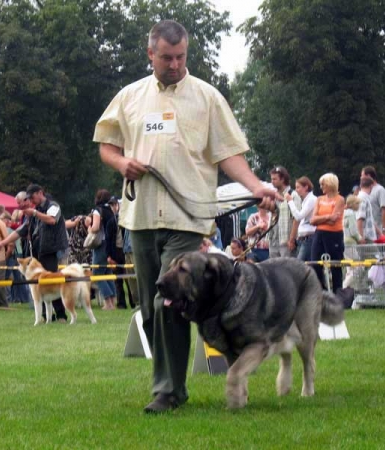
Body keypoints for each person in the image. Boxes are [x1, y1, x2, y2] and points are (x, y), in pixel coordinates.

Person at [94, 19, 276, 413]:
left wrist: (256, 185)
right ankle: (171, 383)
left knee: (168, 301)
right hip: (140, 216)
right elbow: (106, 145)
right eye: (166, 57)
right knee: (148, 308)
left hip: (188, 218)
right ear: (150, 54)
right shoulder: (129, 97)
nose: (174, 64)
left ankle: (167, 390)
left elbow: (229, 154)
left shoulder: (207, 98)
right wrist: (122, 162)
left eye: (180, 57)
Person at [0, 184, 69, 321]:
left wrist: (34, 213)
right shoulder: (35, 211)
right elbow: (20, 231)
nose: (31, 201)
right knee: (41, 285)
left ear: (40, 193)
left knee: (52, 282)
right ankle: (47, 315)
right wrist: (3, 243)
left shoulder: (53, 205)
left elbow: (52, 220)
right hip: (39, 253)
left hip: (52, 251)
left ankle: (61, 315)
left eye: (32, 197)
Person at [310, 173, 345, 291]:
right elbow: (312, 220)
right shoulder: (319, 199)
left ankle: (338, 291)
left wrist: (321, 218)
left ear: (330, 184)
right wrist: (328, 217)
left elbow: (334, 221)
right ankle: (321, 290)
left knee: (335, 264)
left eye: (323, 184)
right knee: (315, 263)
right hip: (319, 234)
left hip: (334, 234)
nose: (321, 187)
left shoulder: (339, 199)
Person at [89, 189, 118, 310]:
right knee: (107, 272)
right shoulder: (111, 210)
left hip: (100, 244)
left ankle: (108, 302)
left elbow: (95, 228)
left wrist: (89, 227)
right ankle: (113, 300)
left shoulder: (97, 210)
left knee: (97, 273)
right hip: (111, 243)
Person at [268, 166, 299, 258]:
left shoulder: (293, 195)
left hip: (286, 240)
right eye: (271, 179)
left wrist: (292, 239)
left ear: (283, 179)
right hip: (274, 239)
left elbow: (296, 219)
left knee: (287, 269)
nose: (272, 181)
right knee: (273, 268)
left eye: (275, 179)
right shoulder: (273, 195)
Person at [284, 176, 317, 261]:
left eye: (298, 187)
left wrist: (290, 201)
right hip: (304, 238)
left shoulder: (311, 200)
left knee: (300, 264)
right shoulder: (306, 200)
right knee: (310, 265)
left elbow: (298, 217)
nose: (296, 190)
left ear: (306, 187)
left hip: (309, 238)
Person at [361, 166, 385, 238]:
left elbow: (384, 210)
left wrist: (384, 229)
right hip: (367, 229)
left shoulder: (380, 190)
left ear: (368, 176)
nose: (360, 177)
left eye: (362, 175)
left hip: (379, 228)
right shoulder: (363, 191)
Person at [356, 177, 378, 244]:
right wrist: (361, 237)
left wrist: (380, 233)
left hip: (368, 237)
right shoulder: (362, 199)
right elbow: (360, 219)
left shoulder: (364, 198)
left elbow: (370, 220)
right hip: (366, 237)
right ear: (371, 186)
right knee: (375, 254)